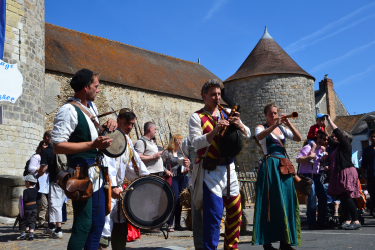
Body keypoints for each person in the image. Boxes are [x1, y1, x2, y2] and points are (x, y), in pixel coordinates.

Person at [51, 68, 117, 250]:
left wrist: (108, 126)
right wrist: (92, 145)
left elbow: (94, 138)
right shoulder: (68, 110)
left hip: (97, 174)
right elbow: (57, 146)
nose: (98, 89)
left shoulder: (91, 107)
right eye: (96, 86)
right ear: (86, 87)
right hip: (81, 175)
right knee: (83, 225)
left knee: (97, 224)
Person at [189, 79, 251, 250]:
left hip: (230, 169)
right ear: (204, 96)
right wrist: (215, 130)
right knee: (214, 216)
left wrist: (240, 125)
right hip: (211, 171)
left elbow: (248, 134)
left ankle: (231, 248)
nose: (217, 98)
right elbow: (195, 143)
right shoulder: (197, 117)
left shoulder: (229, 113)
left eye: (218, 94)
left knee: (235, 212)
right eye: (213, 95)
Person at [253, 103, 302, 250]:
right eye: (271, 114)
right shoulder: (261, 127)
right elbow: (259, 136)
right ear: (265, 115)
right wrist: (275, 126)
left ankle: (285, 242)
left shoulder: (282, 128)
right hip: (270, 166)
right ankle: (266, 243)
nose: (274, 116)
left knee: (286, 201)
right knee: (269, 202)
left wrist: (288, 123)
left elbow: (298, 138)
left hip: (283, 167)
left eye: (275, 113)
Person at [99, 108, 150, 250]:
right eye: (127, 123)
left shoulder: (127, 140)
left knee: (120, 227)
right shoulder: (109, 135)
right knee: (103, 231)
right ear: (118, 121)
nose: (130, 127)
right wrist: (112, 186)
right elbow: (107, 163)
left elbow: (135, 164)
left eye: (132, 124)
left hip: (119, 190)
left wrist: (147, 180)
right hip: (105, 189)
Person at [325, 115, 360, 230]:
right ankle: (348, 220)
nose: (334, 137)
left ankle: (356, 221)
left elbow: (337, 132)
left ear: (344, 138)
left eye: (337, 136)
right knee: (343, 197)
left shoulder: (346, 145)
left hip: (347, 173)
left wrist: (330, 121)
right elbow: (329, 139)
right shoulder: (338, 147)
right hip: (341, 173)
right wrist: (323, 126)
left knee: (347, 197)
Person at [296, 130, 328, 229]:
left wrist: (323, 160)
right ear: (318, 138)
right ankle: (312, 222)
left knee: (323, 197)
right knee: (312, 198)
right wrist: (309, 156)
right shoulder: (308, 147)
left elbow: (318, 162)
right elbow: (298, 159)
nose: (326, 141)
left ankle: (321, 221)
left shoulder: (320, 150)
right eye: (324, 139)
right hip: (307, 175)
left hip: (316, 175)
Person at [36, 130, 65, 239]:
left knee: (55, 204)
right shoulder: (60, 149)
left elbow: (43, 168)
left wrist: (37, 176)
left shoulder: (47, 151)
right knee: (54, 203)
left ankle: (58, 230)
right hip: (64, 180)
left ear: (47, 138)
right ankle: (52, 226)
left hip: (55, 180)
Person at [162, 134, 190, 232]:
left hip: (182, 177)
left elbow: (186, 165)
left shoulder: (181, 153)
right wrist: (166, 171)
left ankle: (177, 224)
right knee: (174, 199)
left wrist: (187, 167)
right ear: (173, 141)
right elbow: (160, 165)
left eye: (181, 140)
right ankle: (170, 223)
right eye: (178, 140)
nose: (180, 142)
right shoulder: (167, 153)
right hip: (172, 177)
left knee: (180, 201)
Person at [180, 137, 203, 250]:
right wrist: (183, 161)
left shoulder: (215, 131)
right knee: (197, 215)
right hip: (195, 179)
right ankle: (199, 246)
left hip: (213, 178)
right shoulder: (188, 141)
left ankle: (211, 244)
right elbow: (181, 156)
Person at [27, 139, 49, 228]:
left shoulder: (48, 157)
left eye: (47, 145)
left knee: (44, 204)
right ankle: (31, 222)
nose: (46, 147)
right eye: (44, 145)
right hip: (36, 184)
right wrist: (41, 168)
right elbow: (31, 169)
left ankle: (41, 222)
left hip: (46, 185)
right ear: (40, 147)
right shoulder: (36, 157)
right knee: (34, 205)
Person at [17, 175, 38, 240]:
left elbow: (25, 200)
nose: (25, 183)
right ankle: (31, 234)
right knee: (32, 221)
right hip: (34, 208)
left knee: (22, 221)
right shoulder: (36, 190)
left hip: (27, 209)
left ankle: (23, 234)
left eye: (25, 182)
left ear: (28, 182)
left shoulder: (26, 191)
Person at [360, 129, 375, 217]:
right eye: (372, 136)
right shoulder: (366, 150)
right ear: (369, 138)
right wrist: (363, 174)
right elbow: (364, 164)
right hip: (371, 175)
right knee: (372, 194)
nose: (373, 138)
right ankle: (372, 208)